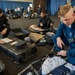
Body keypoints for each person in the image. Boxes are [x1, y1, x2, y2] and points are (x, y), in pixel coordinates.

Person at [41, 4, 75, 75]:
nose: (65, 22)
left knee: (71, 63)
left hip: (73, 43)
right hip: (71, 41)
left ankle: (65, 54)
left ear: (73, 15)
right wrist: (58, 37)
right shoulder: (63, 21)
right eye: (63, 20)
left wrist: (67, 52)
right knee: (54, 37)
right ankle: (62, 54)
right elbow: (59, 30)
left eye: (67, 20)